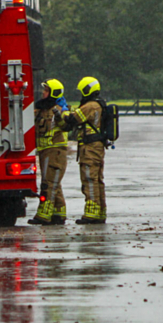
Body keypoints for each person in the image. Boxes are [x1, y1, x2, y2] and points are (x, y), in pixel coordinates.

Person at [65, 76, 107, 224]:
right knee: (97, 179)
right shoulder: (99, 104)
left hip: (89, 147)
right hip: (96, 146)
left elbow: (73, 120)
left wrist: (63, 114)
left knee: (89, 178)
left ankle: (91, 213)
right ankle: (100, 212)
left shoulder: (90, 106)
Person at [29, 79, 68, 225]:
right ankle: (59, 214)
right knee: (54, 184)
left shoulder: (60, 109)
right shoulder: (41, 108)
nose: (43, 93)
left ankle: (43, 215)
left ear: (53, 92)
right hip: (45, 151)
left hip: (55, 151)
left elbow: (65, 125)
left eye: (46, 90)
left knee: (48, 184)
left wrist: (60, 114)